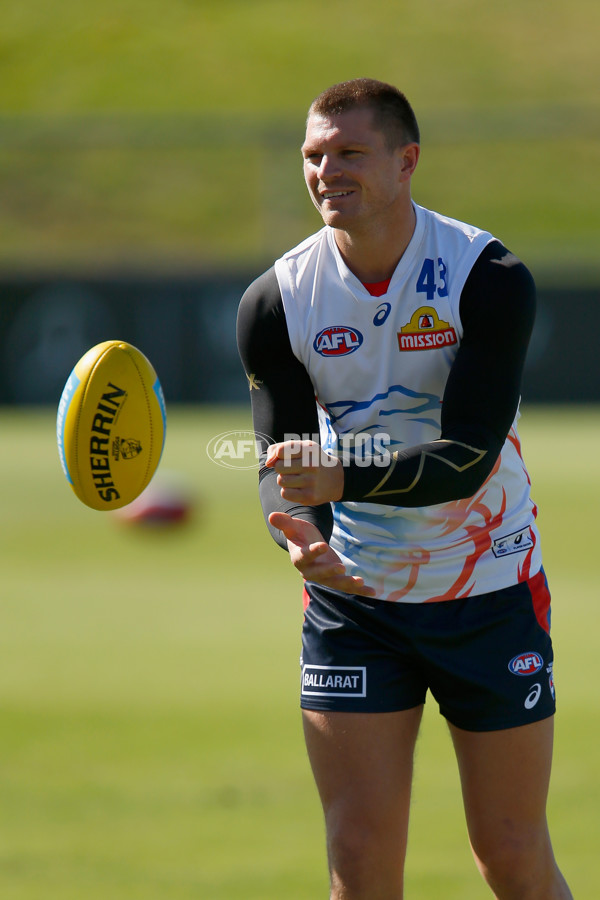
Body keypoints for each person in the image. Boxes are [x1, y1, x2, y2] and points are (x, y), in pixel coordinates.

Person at [236, 78, 572, 899]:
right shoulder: (276, 300)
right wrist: (303, 539)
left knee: (513, 856)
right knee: (357, 858)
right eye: (314, 155)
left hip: (490, 589)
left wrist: (340, 476)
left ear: (406, 160)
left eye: (349, 152)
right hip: (357, 606)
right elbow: (283, 463)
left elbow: (468, 455)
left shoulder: (486, 276)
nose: (326, 171)